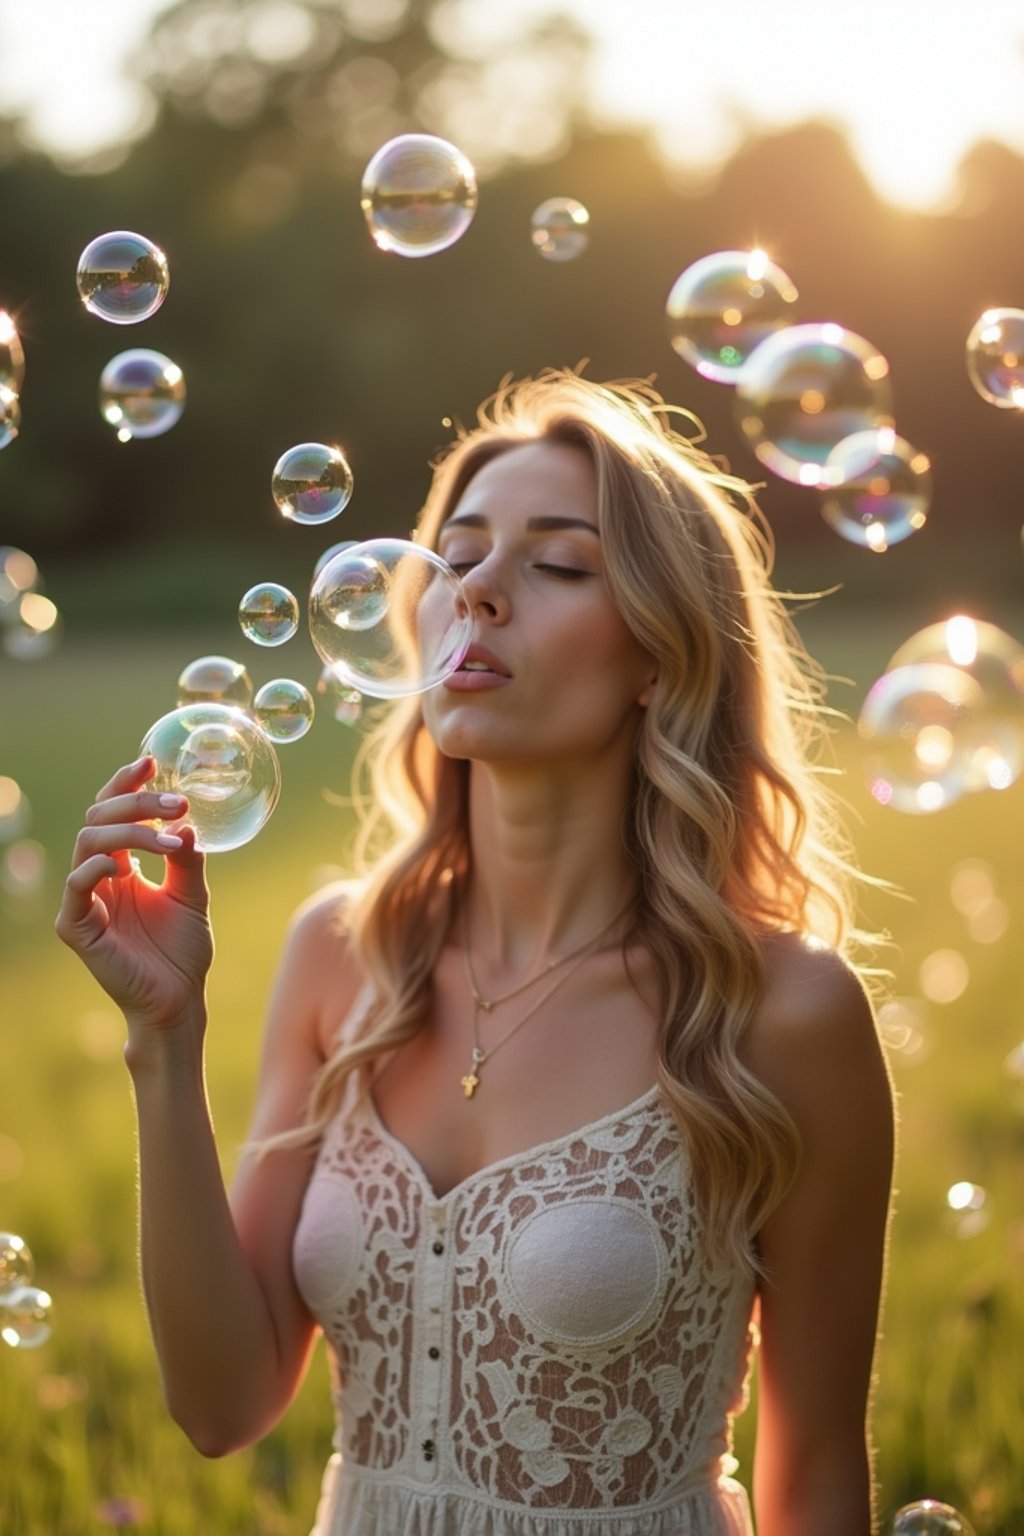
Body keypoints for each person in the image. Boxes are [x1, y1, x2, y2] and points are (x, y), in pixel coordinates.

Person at [56, 370, 896, 1536]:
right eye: (454, 560)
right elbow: (220, 1403)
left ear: (661, 656)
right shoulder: (343, 953)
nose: (479, 595)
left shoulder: (782, 1012)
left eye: (556, 565)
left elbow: (811, 1481)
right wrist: (163, 1040)